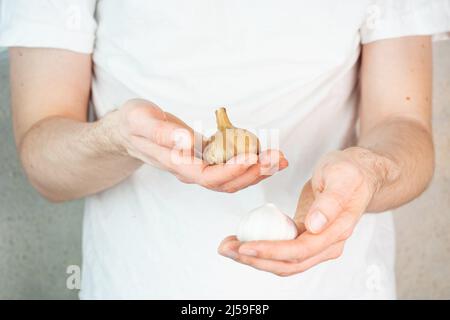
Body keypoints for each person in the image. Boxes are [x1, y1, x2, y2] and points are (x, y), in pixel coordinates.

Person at [1, 0, 449, 299]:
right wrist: (117, 139)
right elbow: (44, 159)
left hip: (335, 287)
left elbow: (403, 125)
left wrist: (369, 171)